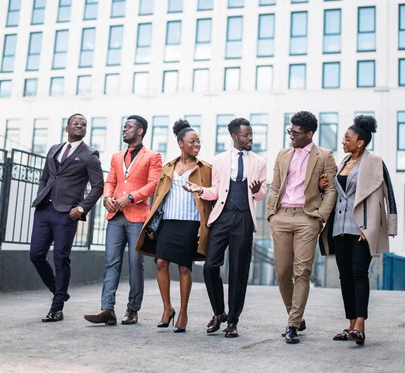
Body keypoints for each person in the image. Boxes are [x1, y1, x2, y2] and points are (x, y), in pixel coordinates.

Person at [184, 118, 266, 338]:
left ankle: (233, 320)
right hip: (222, 216)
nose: (250, 138)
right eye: (246, 135)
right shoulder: (220, 160)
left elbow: (261, 194)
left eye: (251, 135)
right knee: (210, 266)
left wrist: (257, 190)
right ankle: (219, 312)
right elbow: (216, 190)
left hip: (244, 219)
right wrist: (199, 190)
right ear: (234, 136)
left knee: (238, 272)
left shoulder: (259, 161)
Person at [318, 115, 397, 346]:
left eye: (347, 138)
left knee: (359, 273)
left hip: (362, 228)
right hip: (340, 227)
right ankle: (351, 323)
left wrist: (385, 226)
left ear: (360, 142)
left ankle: (360, 324)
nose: (344, 142)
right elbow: (336, 194)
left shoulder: (374, 162)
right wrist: (324, 186)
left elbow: (388, 193)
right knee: (344, 277)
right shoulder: (343, 162)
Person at [266, 111, 337, 344]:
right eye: (290, 131)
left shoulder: (324, 155)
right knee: (282, 272)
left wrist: (320, 217)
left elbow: (331, 190)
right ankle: (294, 315)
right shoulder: (282, 154)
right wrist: (271, 214)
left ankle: (293, 324)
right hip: (282, 216)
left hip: (307, 218)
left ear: (309, 134)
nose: (291, 136)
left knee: (302, 272)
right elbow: (275, 186)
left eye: (296, 133)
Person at [84, 115, 162, 326]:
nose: (124, 129)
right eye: (124, 126)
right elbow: (111, 180)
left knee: (135, 263)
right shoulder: (116, 156)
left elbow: (154, 184)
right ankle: (107, 309)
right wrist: (107, 197)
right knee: (111, 262)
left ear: (140, 131)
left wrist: (129, 198)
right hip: (115, 217)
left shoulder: (153, 156)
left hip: (138, 216)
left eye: (129, 127)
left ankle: (133, 309)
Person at [135, 119, 212, 333]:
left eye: (199, 141)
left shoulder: (205, 168)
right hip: (168, 222)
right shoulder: (168, 167)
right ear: (181, 143)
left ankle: (184, 313)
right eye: (192, 141)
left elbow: (210, 198)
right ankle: (167, 308)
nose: (197, 145)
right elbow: (160, 196)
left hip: (191, 223)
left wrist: (204, 226)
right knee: (160, 262)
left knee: (184, 267)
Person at [29, 113, 104, 323]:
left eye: (83, 124)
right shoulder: (54, 149)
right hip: (44, 210)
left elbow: (99, 186)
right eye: (75, 123)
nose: (79, 125)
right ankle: (59, 291)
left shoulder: (90, 155)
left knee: (61, 258)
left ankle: (57, 308)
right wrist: (41, 194)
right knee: (36, 254)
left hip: (67, 213)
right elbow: (45, 176)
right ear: (67, 128)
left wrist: (81, 209)